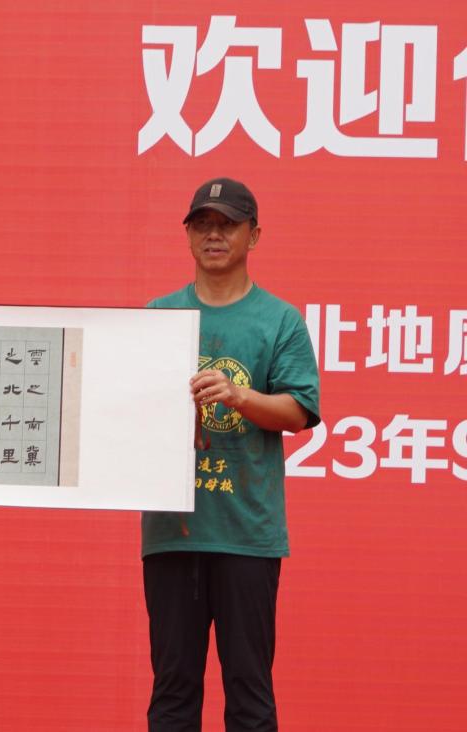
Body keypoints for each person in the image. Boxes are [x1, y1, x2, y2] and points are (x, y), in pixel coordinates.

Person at [142, 178, 320, 731]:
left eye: (227, 224)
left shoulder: (280, 320)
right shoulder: (157, 316)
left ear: (254, 235)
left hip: (247, 532)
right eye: (202, 224)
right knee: (172, 692)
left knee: (249, 691)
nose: (213, 235)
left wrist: (238, 396)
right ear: (188, 235)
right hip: (173, 531)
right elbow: (127, 411)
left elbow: (299, 411)